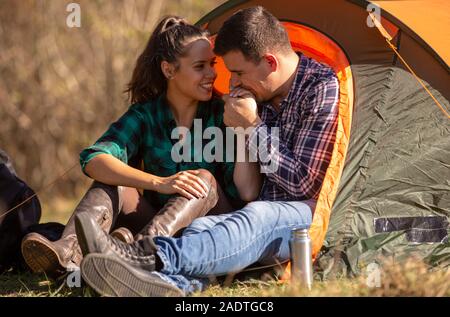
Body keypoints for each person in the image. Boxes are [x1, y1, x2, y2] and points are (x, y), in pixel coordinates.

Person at [75, 6, 339, 296]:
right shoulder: (255, 93)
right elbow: (248, 192)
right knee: (200, 232)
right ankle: (163, 287)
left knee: (257, 215)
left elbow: (303, 184)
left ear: (270, 63)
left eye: (237, 73)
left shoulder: (319, 87)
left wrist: (251, 126)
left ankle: (141, 255)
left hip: (298, 217)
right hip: (244, 218)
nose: (231, 82)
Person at [20, 16, 262, 277]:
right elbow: (94, 159)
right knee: (114, 181)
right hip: (160, 223)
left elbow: (247, 192)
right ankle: (67, 254)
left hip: (215, 227)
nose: (212, 74)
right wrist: (160, 182)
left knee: (203, 179)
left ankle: (136, 254)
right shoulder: (145, 115)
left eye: (212, 64)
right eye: (200, 66)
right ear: (169, 70)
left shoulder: (223, 113)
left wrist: (242, 131)